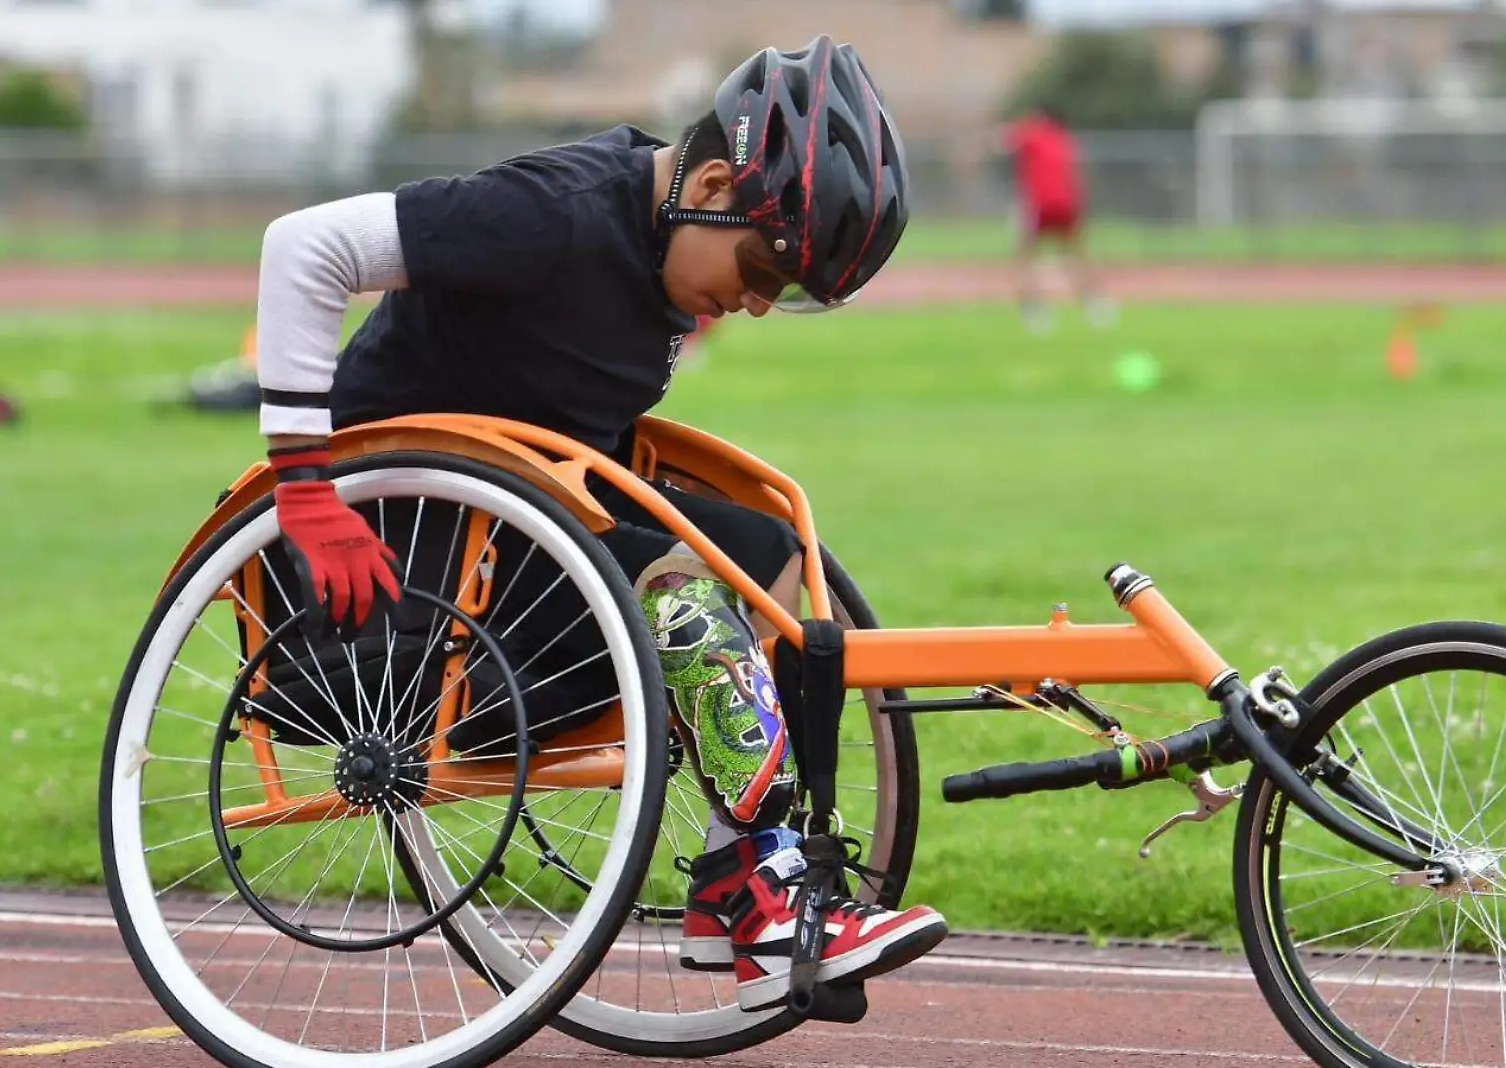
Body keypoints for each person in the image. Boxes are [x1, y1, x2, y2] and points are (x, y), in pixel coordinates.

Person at [249, 35, 947, 1012]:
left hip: (531, 547)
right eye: (758, 267)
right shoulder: (550, 214)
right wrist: (305, 488)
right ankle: (765, 895)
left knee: (769, 559)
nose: (750, 304)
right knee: (681, 586)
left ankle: (739, 883)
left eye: (777, 293)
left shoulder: (660, 239)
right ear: (708, 180)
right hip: (400, 573)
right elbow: (303, 246)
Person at [1004, 103, 1115, 334]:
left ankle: (1036, 311)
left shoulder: (1032, 133)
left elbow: (1005, 140)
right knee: (1075, 255)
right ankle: (1096, 306)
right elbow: (1077, 173)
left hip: (1040, 204)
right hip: (1068, 203)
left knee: (1027, 258)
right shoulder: (1065, 139)